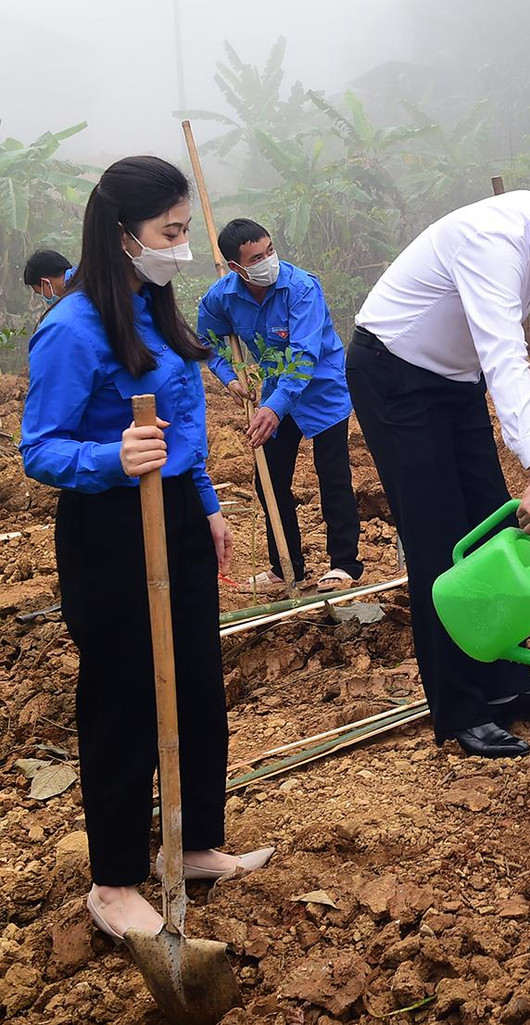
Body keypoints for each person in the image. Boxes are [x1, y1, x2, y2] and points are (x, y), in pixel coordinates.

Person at [21, 156, 272, 942]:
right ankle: (115, 878)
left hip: (178, 521)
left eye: (184, 230)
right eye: (169, 232)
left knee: (196, 681)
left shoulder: (158, 309)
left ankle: (194, 842)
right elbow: (40, 447)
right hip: (110, 532)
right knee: (125, 697)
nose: (181, 246)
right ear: (123, 233)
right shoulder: (72, 325)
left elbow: (184, 430)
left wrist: (206, 505)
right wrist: (109, 459)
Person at [350, 164, 530, 758]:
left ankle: (507, 685)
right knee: (439, 544)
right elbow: (504, 352)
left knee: (489, 529)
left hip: (454, 381)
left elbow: (492, 353)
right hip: (396, 376)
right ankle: (459, 709)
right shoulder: (495, 239)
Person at [197, 219, 362, 593]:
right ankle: (284, 567)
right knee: (269, 479)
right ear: (237, 267)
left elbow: (304, 356)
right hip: (274, 392)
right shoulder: (222, 296)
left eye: (270, 250)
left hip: (322, 391)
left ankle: (344, 564)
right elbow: (206, 339)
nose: (268, 260)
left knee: (332, 476)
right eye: (257, 257)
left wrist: (273, 408)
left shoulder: (301, 288)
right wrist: (230, 376)